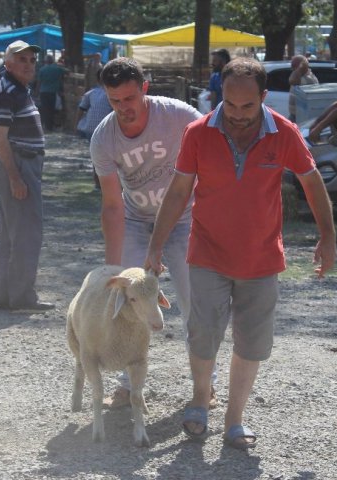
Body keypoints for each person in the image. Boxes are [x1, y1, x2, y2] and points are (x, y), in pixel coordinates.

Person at [144, 57, 336, 449]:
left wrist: (328, 236)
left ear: (264, 98)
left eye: (247, 107)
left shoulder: (284, 133)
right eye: (230, 105)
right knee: (203, 331)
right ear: (220, 97)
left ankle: (235, 419)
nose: (237, 115)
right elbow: (179, 192)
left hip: (261, 258)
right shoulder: (198, 133)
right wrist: (156, 244)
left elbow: (312, 183)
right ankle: (200, 400)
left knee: (251, 341)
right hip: (208, 252)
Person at [90, 57, 218, 410]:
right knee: (127, 303)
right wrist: (113, 268)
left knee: (196, 300)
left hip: (185, 218)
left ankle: (206, 382)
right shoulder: (104, 138)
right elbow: (112, 205)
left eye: (129, 99)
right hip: (136, 220)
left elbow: (214, 154)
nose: (123, 108)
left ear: (144, 89)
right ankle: (128, 380)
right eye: (115, 101)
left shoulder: (178, 115)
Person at [0, 40, 55, 313]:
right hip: (19, 163)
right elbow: (1, 139)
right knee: (28, 233)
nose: (28, 64)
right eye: (22, 60)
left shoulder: (18, 90)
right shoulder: (7, 92)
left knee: (12, 234)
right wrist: (15, 177)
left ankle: (5, 296)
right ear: (8, 64)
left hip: (23, 163)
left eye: (31, 60)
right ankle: (22, 297)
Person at [76, 68, 113, 189]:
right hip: (106, 129)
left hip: (90, 130)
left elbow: (81, 109)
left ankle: (98, 183)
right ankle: (105, 183)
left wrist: (77, 125)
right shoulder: (112, 94)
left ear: (97, 79)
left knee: (96, 157)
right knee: (109, 157)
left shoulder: (91, 93)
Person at [36, 55, 68, 131]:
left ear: (45, 61)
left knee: (45, 109)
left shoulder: (42, 69)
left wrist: (37, 92)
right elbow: (67, 72)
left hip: (43, 92)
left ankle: (46, 126)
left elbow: (39, 82)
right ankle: (51, 126)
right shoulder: (57, 69)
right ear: (53, 61)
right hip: (53, 92)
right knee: (52, 109)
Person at [288, 54, 318, 122]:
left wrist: (300, 68)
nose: (292, 68)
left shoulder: (307, 79)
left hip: (301, 116)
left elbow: (292, 81)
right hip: (295, 115)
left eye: (294, 66)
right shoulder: (300, 75)